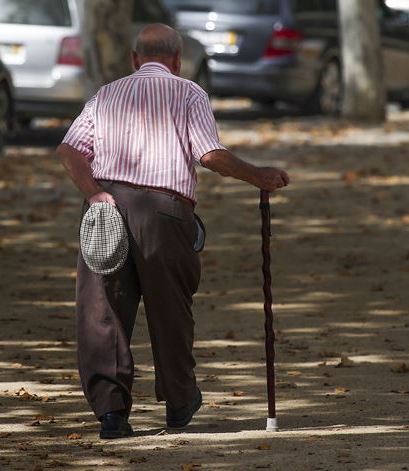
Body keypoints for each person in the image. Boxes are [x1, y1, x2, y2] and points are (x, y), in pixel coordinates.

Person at [56, 23, 290, 439]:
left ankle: (112, 414)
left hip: (106, 208)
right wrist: (259, 175)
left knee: (102, 311)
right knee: (170, 310)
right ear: (178, 60)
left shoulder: (107, 94)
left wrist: (93, 194)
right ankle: (179, 402)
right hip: (165, 213)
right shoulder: (189, 93)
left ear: (134, 59)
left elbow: (70, 149)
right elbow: (209, 154)